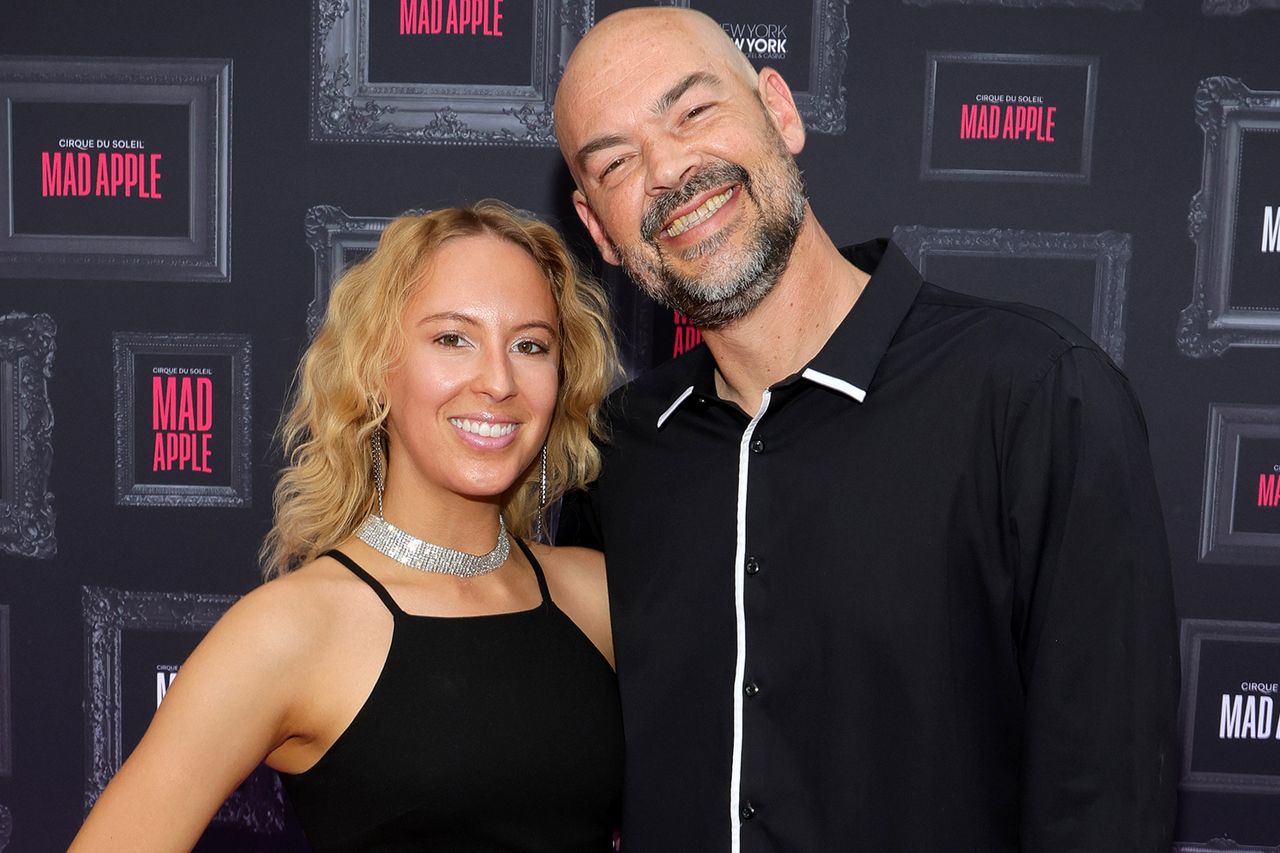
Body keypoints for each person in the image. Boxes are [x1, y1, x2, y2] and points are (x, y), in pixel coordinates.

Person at [553, 8, 1179, 852]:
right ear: (599, 229)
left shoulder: (1033, 395)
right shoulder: (617, 456)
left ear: (780, 111)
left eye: (694, 111)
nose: (668, 169)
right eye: (617, 163)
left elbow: (1104, 804)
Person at [70, 201, 624, 852]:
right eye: (453, 338)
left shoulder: (597, 596)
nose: (499, 381)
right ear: (376, 369)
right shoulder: (291, 630)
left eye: (530, 345)